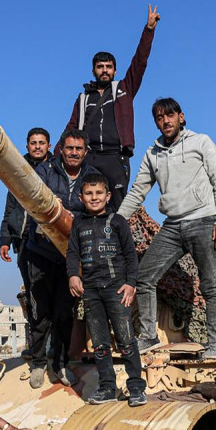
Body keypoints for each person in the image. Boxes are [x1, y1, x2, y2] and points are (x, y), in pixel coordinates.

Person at [118, 97, 216, 359]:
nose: (165, 121)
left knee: (211, 285)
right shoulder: (152, 154)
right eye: (159, 117)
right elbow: (137, 192)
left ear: (181, 117)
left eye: (170, 115)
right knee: (144, 277)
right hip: (172, 226)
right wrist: (115, 222)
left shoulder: (201, 142)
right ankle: (148, 337)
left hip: (203, 220)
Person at [60, 4, 161, 212]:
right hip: (90, 157)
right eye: (100, 67)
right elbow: (71, 129)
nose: (104, 70)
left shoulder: (125, 89)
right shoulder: (83, 98)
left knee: (117, 209)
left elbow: (140, 62)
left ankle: (116, 244)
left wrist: (148, 30)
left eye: (108, 67)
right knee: (88, 205)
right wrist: (54, 158)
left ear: (115, 70)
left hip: (116, 157)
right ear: (94, 70)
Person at [22, 128, 98, 388]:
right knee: (40, 311)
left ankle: (61, 363)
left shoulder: (91, 176)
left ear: (85, 151)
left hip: (70, 257)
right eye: (69, 148)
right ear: (61, 150)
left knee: (64, 312)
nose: (74, 153)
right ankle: (39, 363)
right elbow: (30, 193)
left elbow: (97, 206)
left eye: (78, 149)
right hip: (40, 252)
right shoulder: (46, 171)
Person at [67, 172, 147, 406]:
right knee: (100, 343)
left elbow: (131, 255)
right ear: (81, 197)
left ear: (108, 195)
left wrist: (131, 283)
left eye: (99, 193)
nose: (94, 198)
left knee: (126, 339)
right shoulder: (78, 224)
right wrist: (73, 275)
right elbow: (73, 253)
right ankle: (107, 388)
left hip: (116, 289)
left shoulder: (118, 222)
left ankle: (136, 387)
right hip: (91, 290)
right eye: (89, 193)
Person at [0, 127, 52, 327]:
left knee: (49, 290)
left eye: (41, 143)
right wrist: (5, 239)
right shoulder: (17, 170)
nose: (37, 147)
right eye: (33, 143)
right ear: (27, 146)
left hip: (48, 240)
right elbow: (9, 209)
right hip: (23, 240)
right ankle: (36, 341)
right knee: (31, 291)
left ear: (49, 146)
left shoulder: (55, 169)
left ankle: (53, 342)